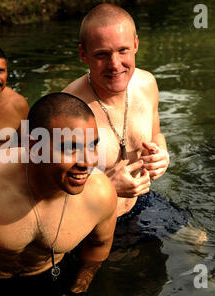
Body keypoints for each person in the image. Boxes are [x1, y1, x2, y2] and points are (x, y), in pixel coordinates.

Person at [0, 92, 118, 296]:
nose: (87, 162)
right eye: (70, 148)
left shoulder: (100, 194)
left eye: (92, 145)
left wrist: (76, 290)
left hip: (49, 280)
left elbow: (98, 245)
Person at [63, 4, 188, 245]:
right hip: (90, 219)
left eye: (123, 50)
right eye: (102, 54)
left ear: (136, 45)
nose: (115, 64)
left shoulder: (147, 84)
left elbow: (156, 134)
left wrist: (162, 155)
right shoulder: (67, 111)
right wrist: (107, 186)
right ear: (83, 54)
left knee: (198, 242)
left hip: (141, 202)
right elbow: (49, 196)